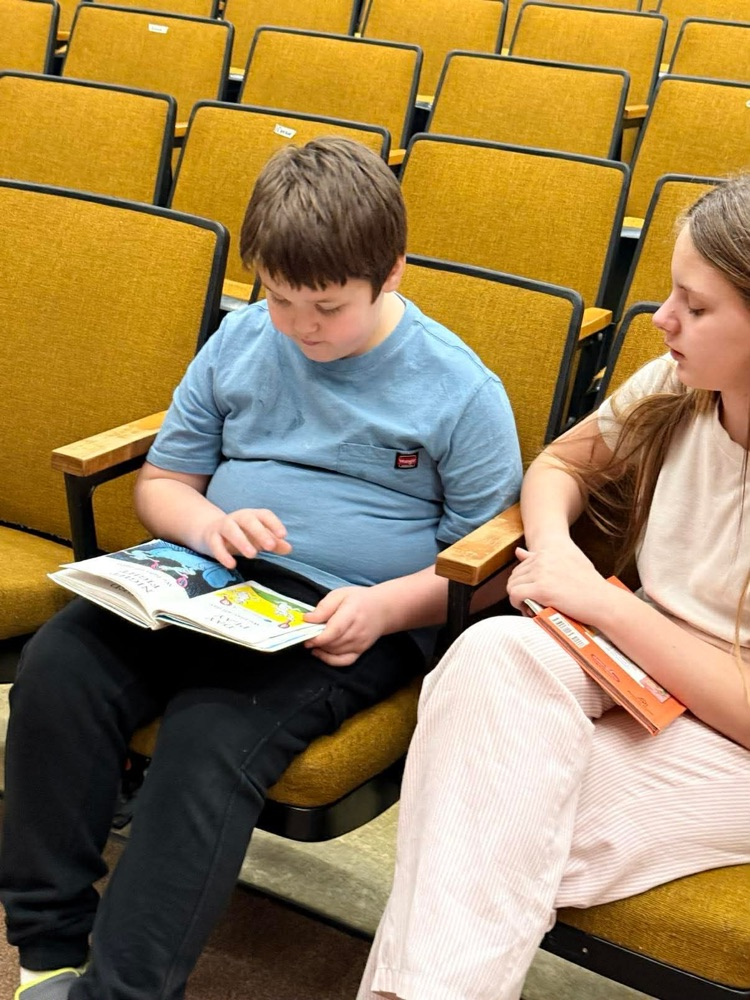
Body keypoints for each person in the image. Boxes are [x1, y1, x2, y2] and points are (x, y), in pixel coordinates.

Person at [0, 137, 522, 1000]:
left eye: (327, 306)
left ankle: (119, 993)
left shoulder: (460, 391)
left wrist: (388, 609)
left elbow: (487, 563)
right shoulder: (244, 340)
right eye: (280, 299)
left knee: (211, 735)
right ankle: (52, 946)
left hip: (348, 620)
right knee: (59, 664)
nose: (302, 328)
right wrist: (207, 520)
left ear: (391, 273)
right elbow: (164, 483)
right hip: (211, 579)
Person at [358, 173, 750, 1000]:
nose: (662, 321)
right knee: (490, 656)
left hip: (731, 738)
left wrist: (602, 601)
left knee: (476, 822)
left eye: (696, 305)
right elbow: (560, 464)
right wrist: (558, 555)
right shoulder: (683, 384)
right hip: (635, 662)